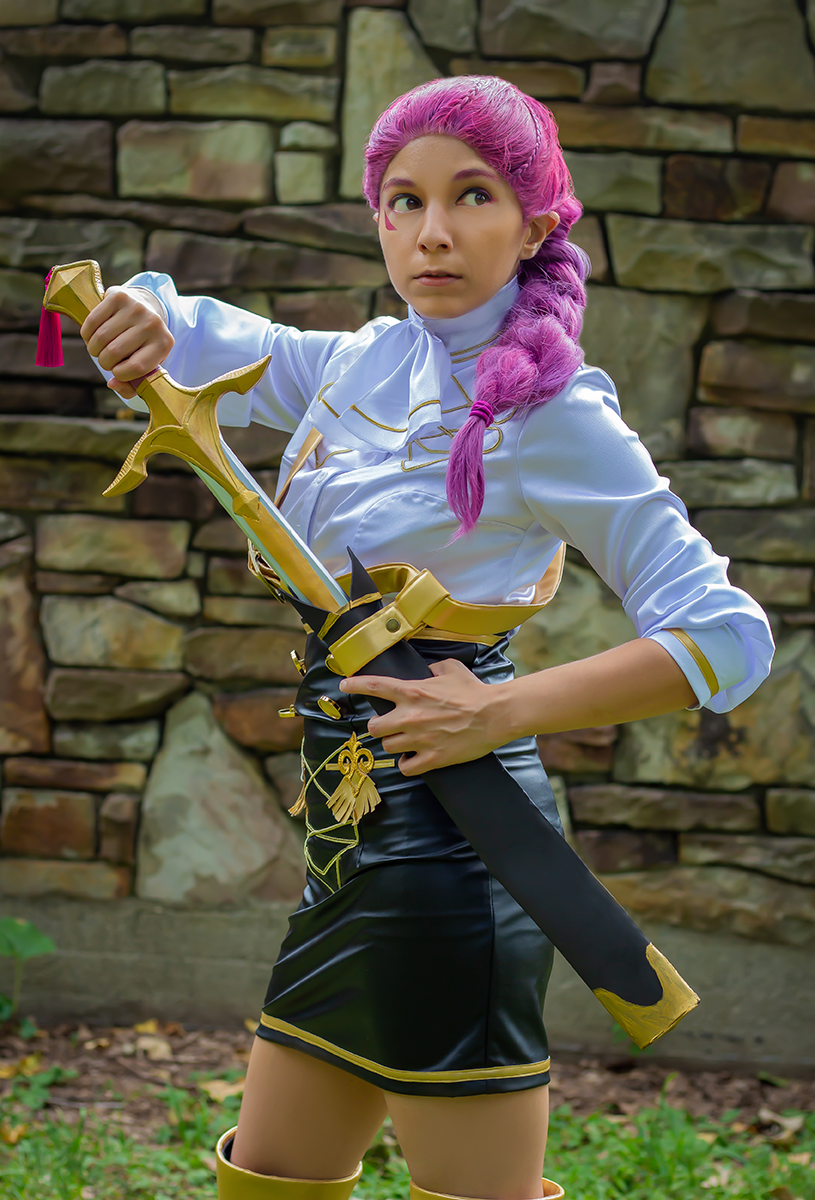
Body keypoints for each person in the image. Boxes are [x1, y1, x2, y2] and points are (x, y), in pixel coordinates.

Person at [80, 76, 773, 1200]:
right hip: (348, 846)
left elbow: (726, 638)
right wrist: (136, 318)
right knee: (271, 1181)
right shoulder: (357, 363)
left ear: (535, 224)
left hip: (460, 847)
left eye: (472, 195)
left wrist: (497, 710)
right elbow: (198, 343)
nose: (432, 231)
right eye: (403, 201)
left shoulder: (555, 413)